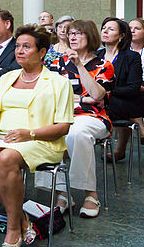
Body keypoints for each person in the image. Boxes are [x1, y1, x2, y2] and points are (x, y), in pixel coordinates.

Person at [0, 25, 73, 247]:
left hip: (41, 140)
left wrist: (30, 134)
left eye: (26, 47)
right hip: (3, 136)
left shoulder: (59, 82)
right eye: (17, 46)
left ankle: (13, 228)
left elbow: (63, 127)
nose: (19, 51)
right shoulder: (6, 78)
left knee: (7, 158)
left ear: (42, 52)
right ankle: (22, 217)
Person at [35, 20, 115, 219]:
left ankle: (90, 194)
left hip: (92, 117)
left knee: (77, 132)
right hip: (62, 114)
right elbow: (47, 91)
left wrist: (79, 65)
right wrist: (81, 97)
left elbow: (97, 95)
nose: (72, 37)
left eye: (78, 33)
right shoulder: (56, 63)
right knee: (44, 130)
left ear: (90, 37)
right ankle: (62, 194)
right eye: (71, 33)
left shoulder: (103, 65)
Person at [96, 17, 144, 161]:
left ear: (122, 35)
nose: (105, 31)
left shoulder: (131, 57)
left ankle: (119, 149)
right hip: (98, 100)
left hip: (122, 100)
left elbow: (133, 87)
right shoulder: (96, 56)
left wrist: (108, 91)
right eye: (104, 28)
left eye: (111, 29)